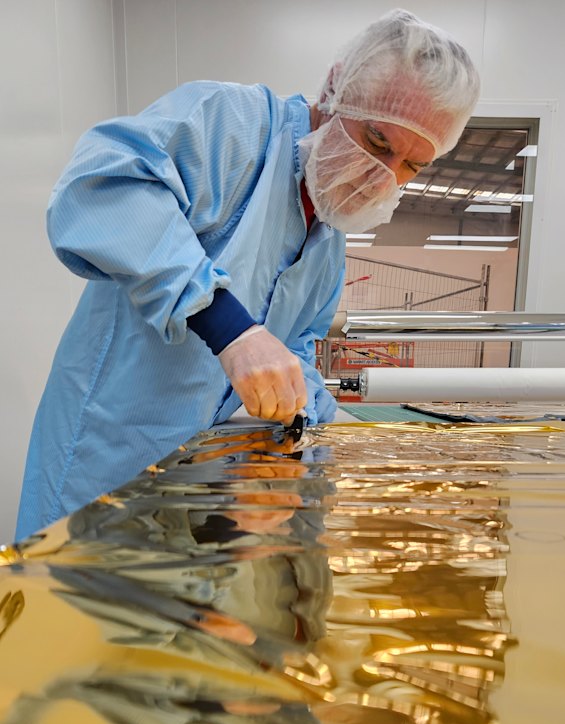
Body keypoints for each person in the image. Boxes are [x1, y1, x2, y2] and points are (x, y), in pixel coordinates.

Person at [15, 8, 480, 541]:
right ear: (335, 91)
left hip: (190, 490)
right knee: (69, 612)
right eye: (378, 143)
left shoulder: (327, 231)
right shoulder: (229, 125)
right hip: (103, 460)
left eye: (411, 167)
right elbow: (99, 187)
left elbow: (294, 346)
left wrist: (338, 433)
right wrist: (227, 325)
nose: (383, 178)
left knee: (160, 619)